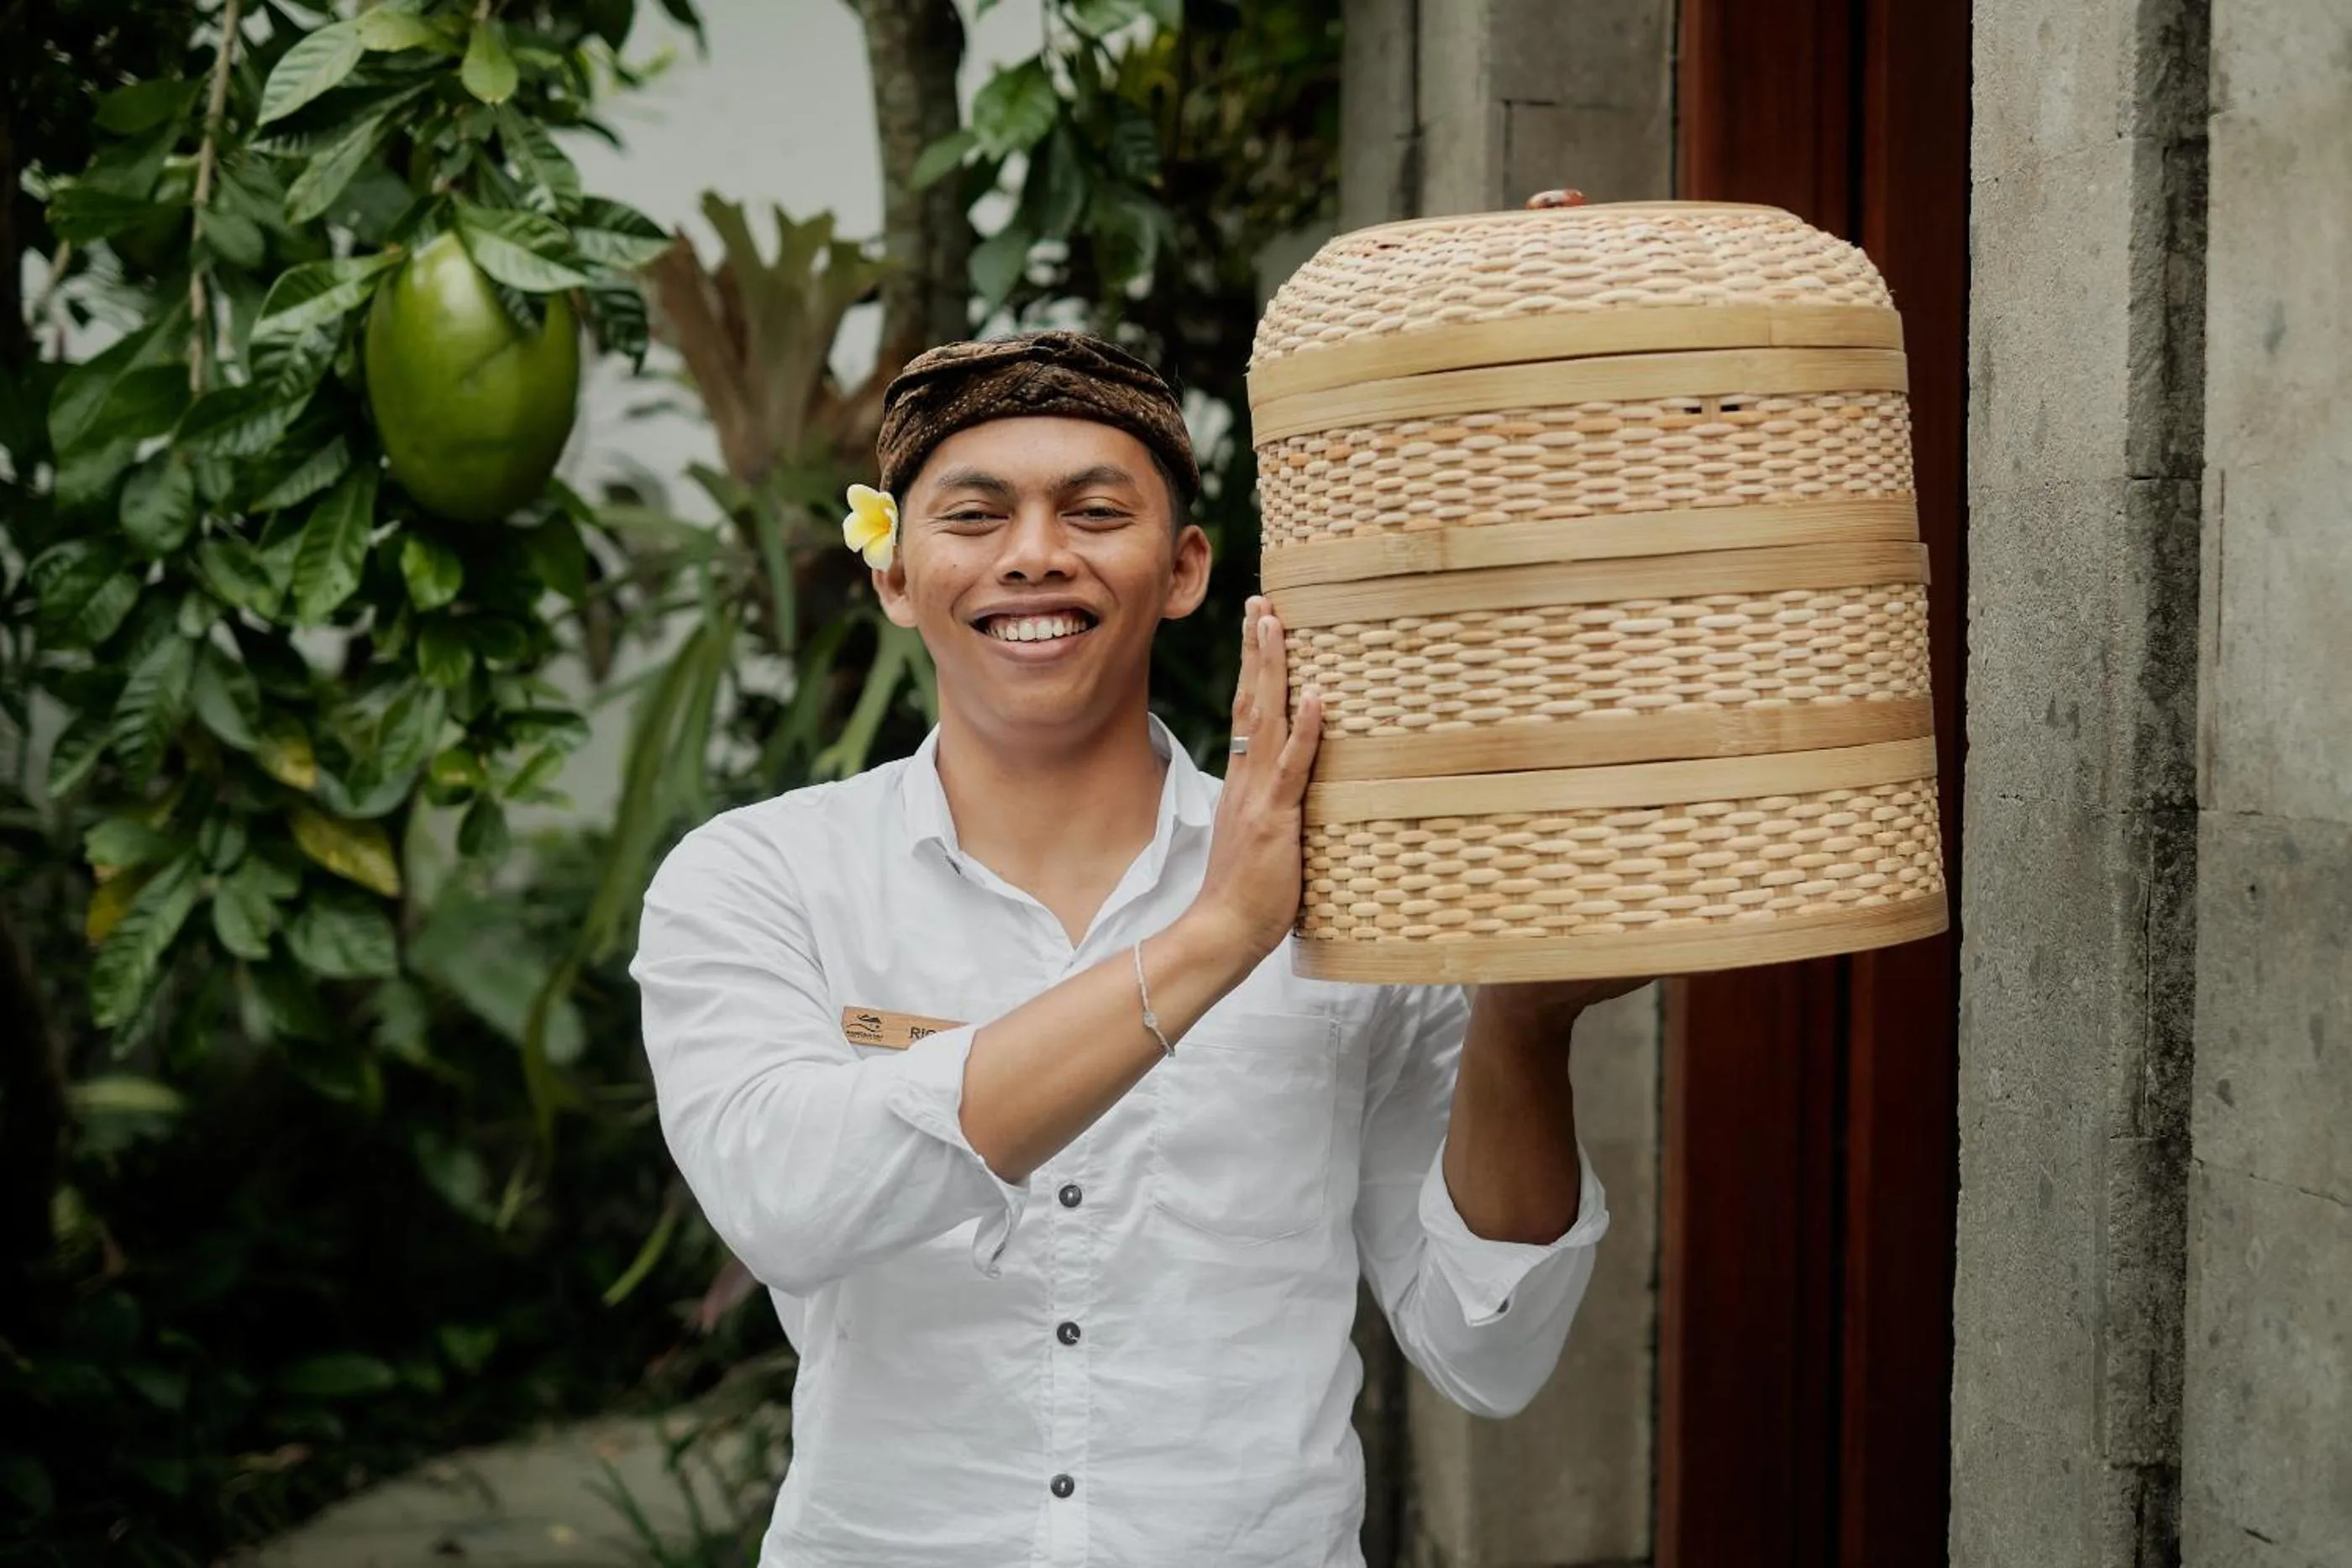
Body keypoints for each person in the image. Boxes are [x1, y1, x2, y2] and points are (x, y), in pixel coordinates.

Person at [632, 332, 1640, 1568]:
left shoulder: (1355, 888)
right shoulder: (760, 878)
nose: (1036, 552)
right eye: (976, 513)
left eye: (1097, 510)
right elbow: (788, 1199)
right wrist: (1218, 938)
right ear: (895, 573)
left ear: (1183, 568)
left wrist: (1525, 1026)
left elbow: (1489, 1348)